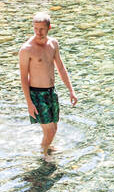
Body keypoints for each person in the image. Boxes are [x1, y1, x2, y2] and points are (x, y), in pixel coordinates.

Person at [20, 11, 78, 154]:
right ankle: (43, 155)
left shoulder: (53, 44)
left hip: (51, 92)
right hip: (37, 94)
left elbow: (61, 68)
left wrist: (71, 90)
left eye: (41, 29)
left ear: (49, 28)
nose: (38, 32)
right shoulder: (26, 49)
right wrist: (29, 103)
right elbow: (23, 78)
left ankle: (47, 148)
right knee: (50, 130)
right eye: (35, 28)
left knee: (54, 128)